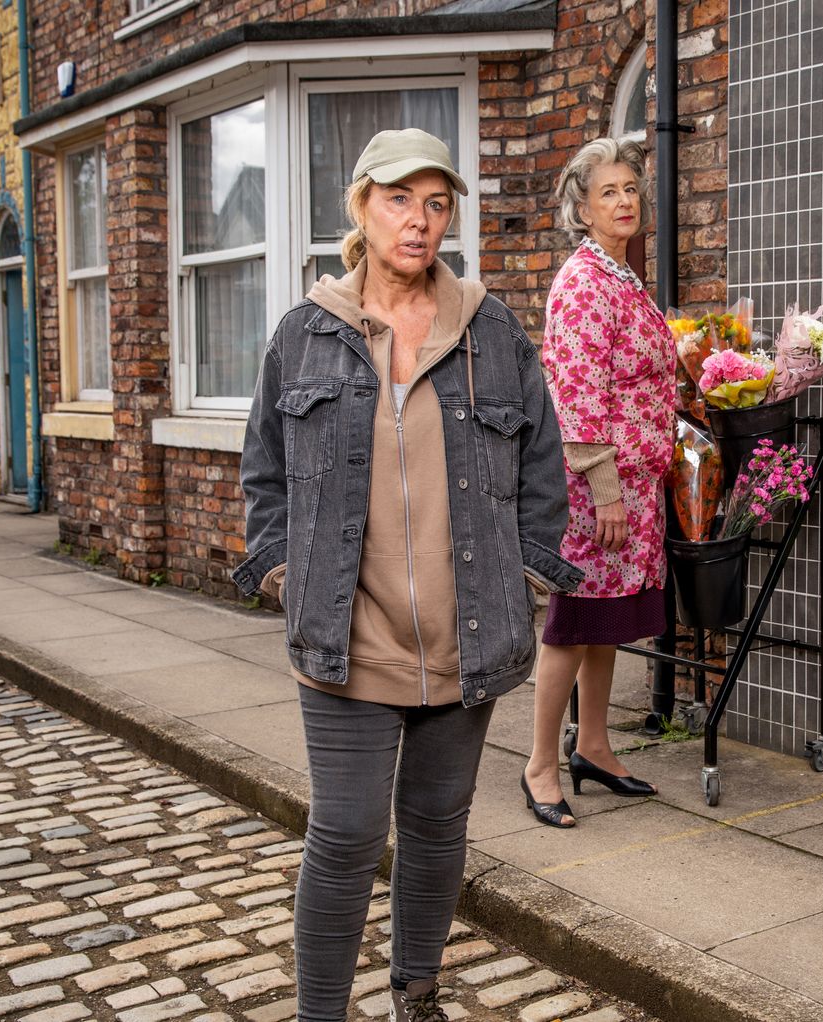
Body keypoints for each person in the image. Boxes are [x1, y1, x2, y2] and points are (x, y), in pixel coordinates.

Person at [231, 128, 580, 1022]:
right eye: (399, 200)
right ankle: (321, 1013)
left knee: (435, 830)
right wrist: (278, 567)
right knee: (345, 833)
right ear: (360, 206)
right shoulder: (304, 334)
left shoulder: (489, 331)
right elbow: (264, 466)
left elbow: (543, 465)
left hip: (466, 638)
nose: (418, 222)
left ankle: (415, 991)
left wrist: (528, 574)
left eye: (435, 204)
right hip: (347, 636)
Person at [522, 137, 676, 829]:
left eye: (630, 189)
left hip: (635, 481)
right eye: (607, 192)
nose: (623, 201)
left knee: (607, 620)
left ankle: (592, 746)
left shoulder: (622, 275)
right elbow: (577, 397)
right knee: (574, 621)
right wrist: (607, 489)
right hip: (596, 486)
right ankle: (540, 767)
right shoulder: (584, 283)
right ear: (581, 209)